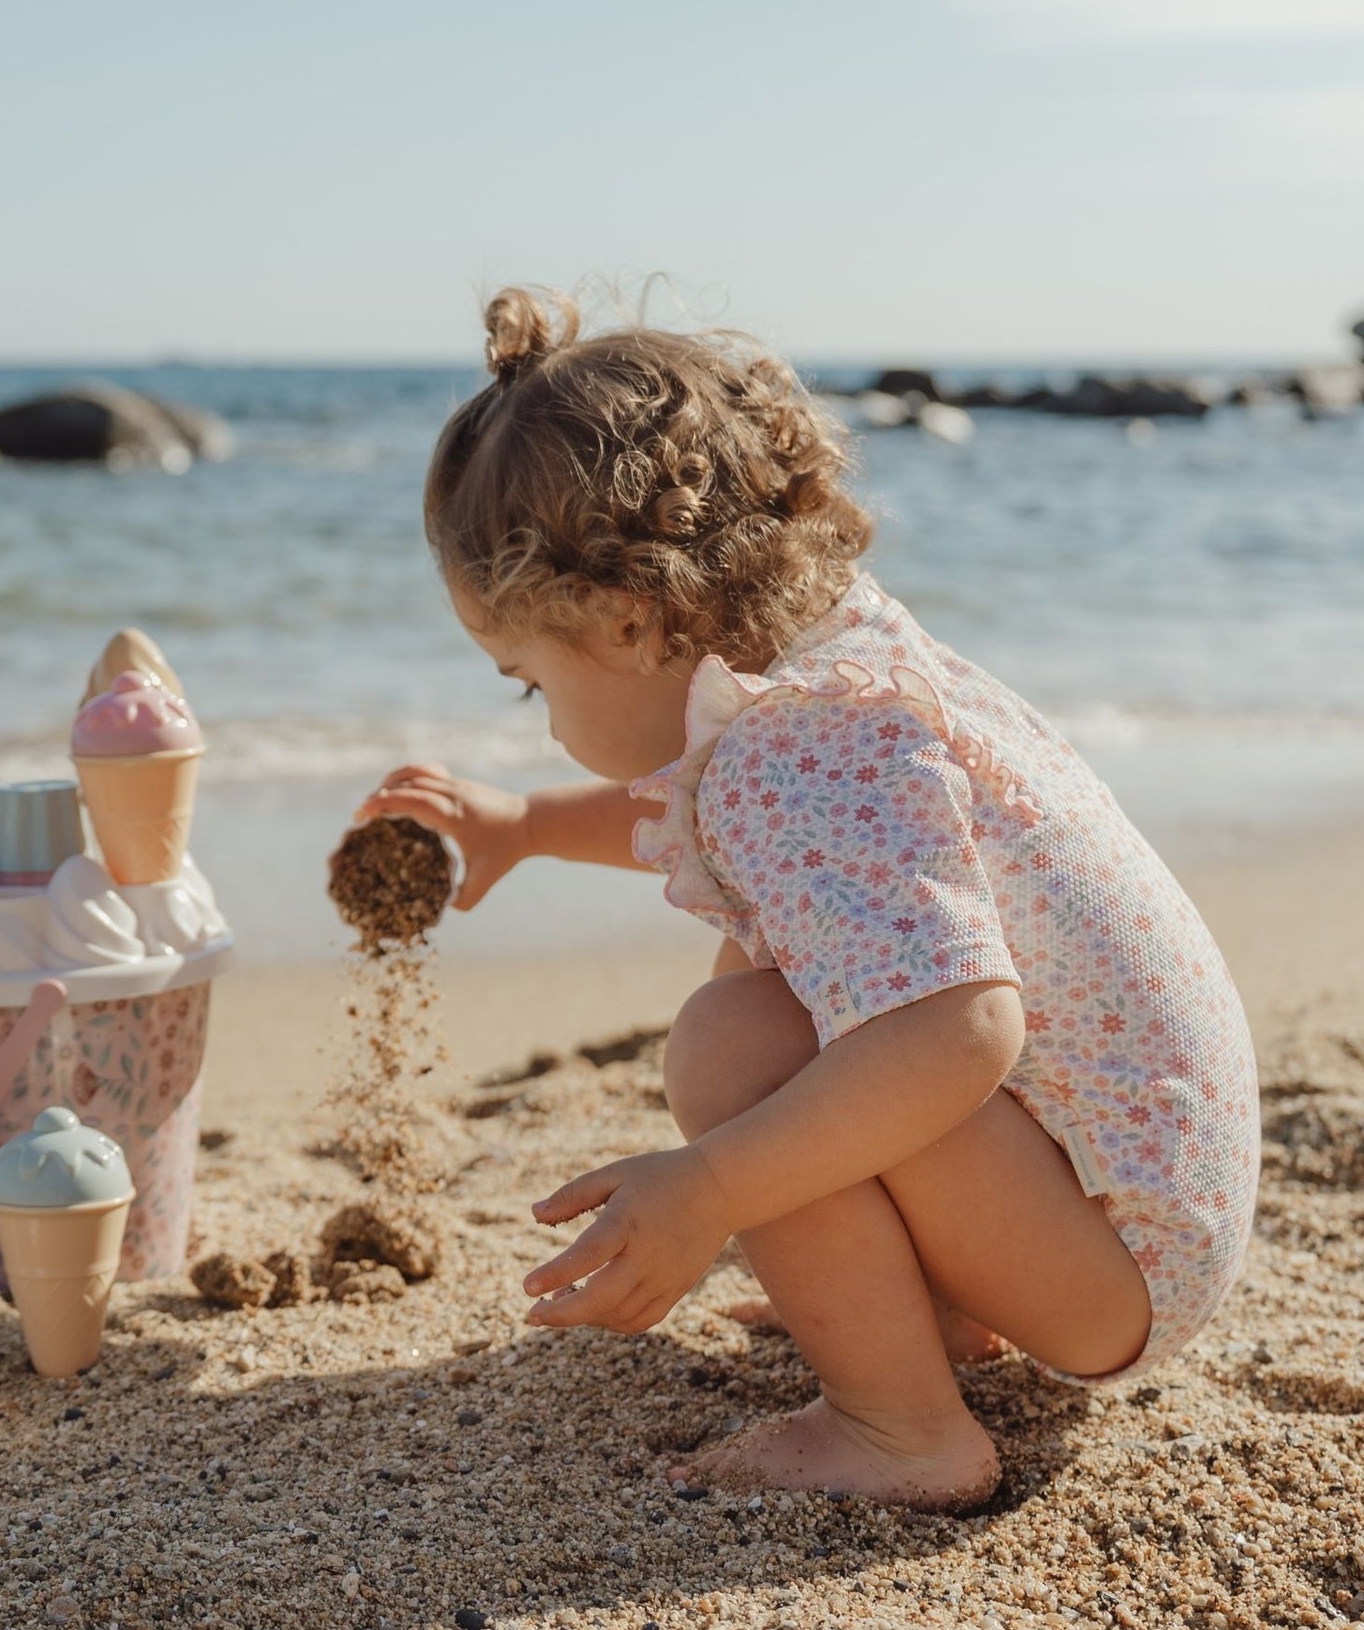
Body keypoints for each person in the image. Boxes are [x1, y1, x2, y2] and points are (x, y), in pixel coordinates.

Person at [357, 288, 1260, 1509]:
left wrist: (713, 1189)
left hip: (1112, 1266)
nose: (538, 714)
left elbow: (962, 1029)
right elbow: (752, 840)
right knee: (788, 990)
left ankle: (900, 1430)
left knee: (736, 1043)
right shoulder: (836, 676)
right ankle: (929, 1315)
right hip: (1136, 1213)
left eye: (529, 683)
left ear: (625, 620)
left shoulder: (800, 747)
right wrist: (522, 827)